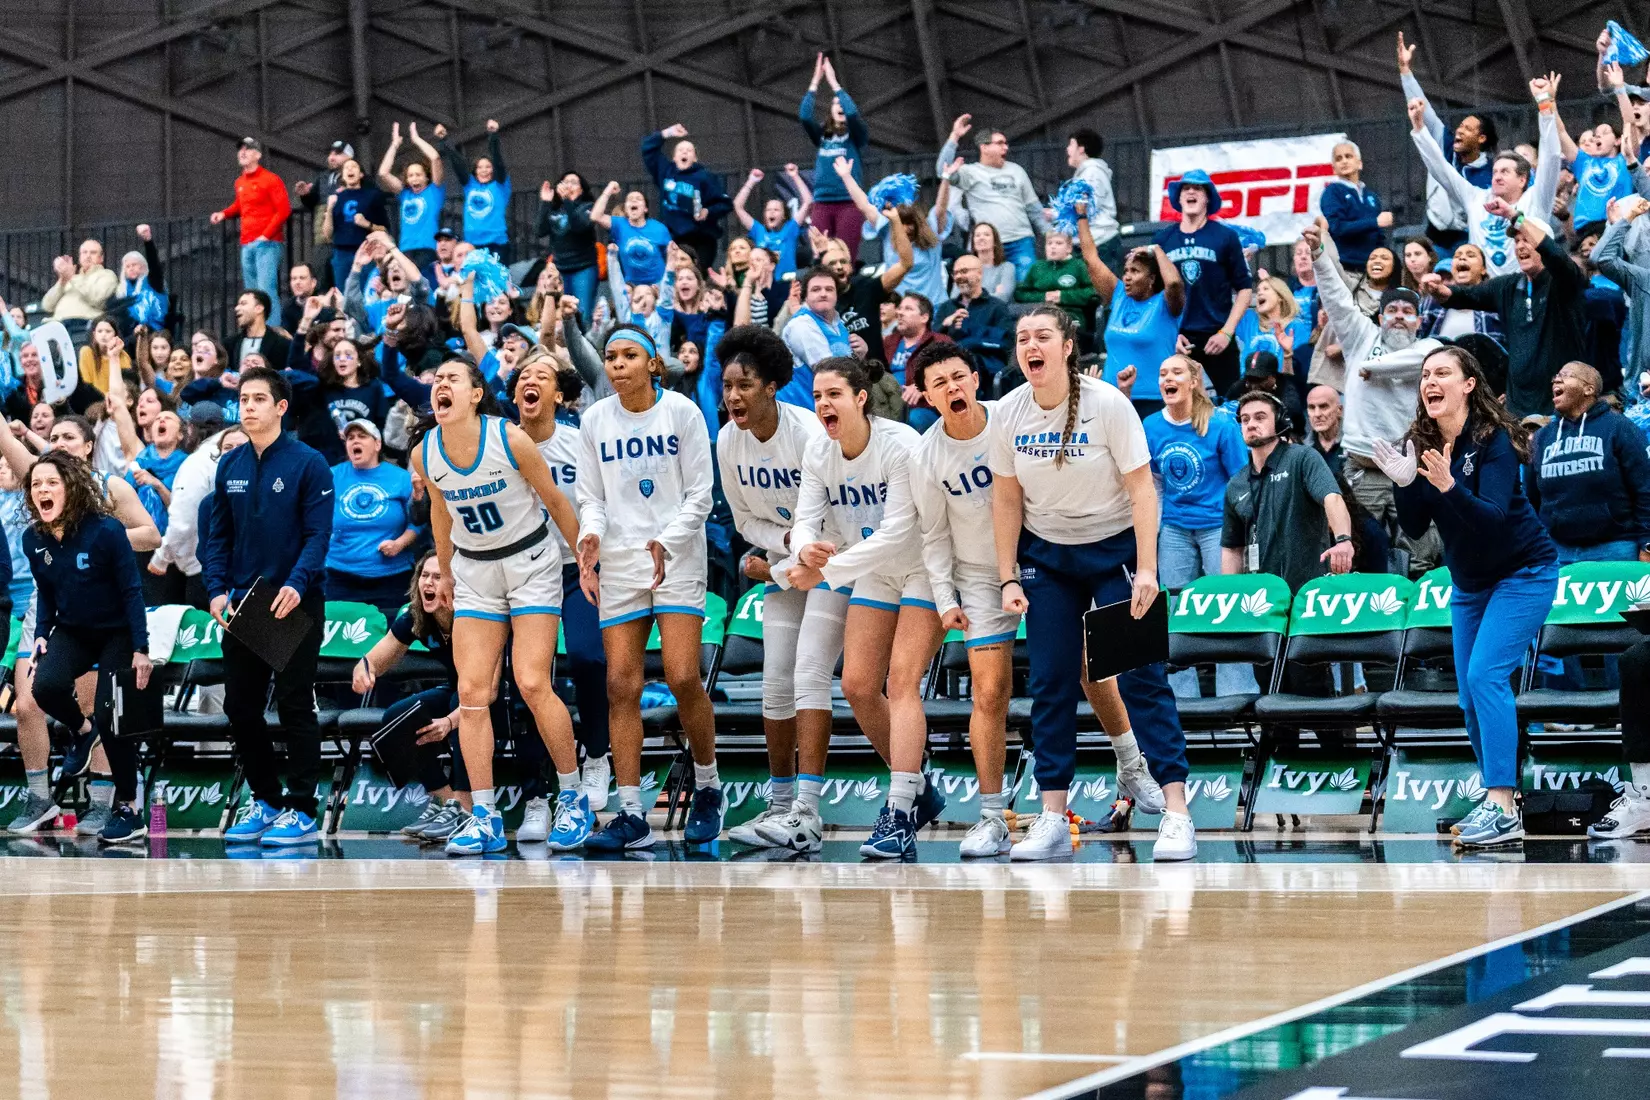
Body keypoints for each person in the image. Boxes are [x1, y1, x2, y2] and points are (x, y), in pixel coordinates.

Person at [991, 307, 1195, 862]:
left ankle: (1177, 812)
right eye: (1022, 338)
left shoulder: (1108, 404)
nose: (1030, 346)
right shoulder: (1009, 412)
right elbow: (1006, 499)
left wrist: (1148, 568)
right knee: (1051, 682)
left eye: (1042, 336)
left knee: (1140, 677)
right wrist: (1007, 574)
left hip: (1116, 551)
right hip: (1048, 557)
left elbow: (1143, 489)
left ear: (1067, 346)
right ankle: (1053, 817)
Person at [1376, 346, 1559, 848]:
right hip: (1470, 584)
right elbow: (1415, 527)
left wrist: (1448, 486)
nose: (1430, 382)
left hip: (1525, 573)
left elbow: (1493, 518)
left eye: (1442, 373)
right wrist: (1405, 485)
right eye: (1425, 375)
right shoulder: (1422, 441)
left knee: (1485, 676)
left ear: (1468, 384)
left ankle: (1501, 804)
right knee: (1469, 695)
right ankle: (1498, 801)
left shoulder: (1492, 439)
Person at [411, 355, 588, 854]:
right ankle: (484, 816)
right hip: (475, 570)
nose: (441, 385)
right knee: (471, 693)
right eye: (437, 379)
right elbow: (441, 513)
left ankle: (572, 797)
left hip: (530, 562)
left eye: (452, 379)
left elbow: (555, 500)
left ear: (475, 394)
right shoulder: (426, 453)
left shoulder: (510, 439)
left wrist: (585, 561)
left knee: (531, 681)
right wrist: (446, 572)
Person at [775, 357, 947, 857]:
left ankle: (899, 811)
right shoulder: (819, 450)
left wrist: (825, 571)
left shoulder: (900, 444)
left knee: (902, 682)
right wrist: (804, 549)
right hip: (873, 568)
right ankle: (918, 787)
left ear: (860, 398)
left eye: (834, 394)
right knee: (855, 684)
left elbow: (897, 533)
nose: (823, 404)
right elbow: (805, 519)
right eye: (818, 396)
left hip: (925, 563)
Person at [576, 325, 720, 851]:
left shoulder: (682, 412)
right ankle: (632, 812)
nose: (617, 364)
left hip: (677, 556)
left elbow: (701, 495)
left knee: (682, 677)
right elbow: (591, 497)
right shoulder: (594, 419)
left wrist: (666, 540)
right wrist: (590, 536)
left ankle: (708, 786)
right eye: (611, 356)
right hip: (619, 560)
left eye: (629, 355)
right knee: (620, 685)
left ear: (653, 364)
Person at [710, 326, 829, 848]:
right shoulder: (727, 440)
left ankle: (808, 812)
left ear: (771, 386)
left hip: (830, 558)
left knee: (810, 676)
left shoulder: (806, 432)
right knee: (776, 682)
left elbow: (829, 508)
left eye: (745, 385)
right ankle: (780, 806)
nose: (733, 396)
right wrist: (782, 544)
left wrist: (790, 555)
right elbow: (743, 521)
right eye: (727, 386)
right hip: (784, 558)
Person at [206, 368, 334, 848]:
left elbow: (318, 535)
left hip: (293, 600)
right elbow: (218, 537)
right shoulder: (229, 464)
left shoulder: (309, 463)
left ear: (281, 407)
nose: (249, 406)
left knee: (295, 703)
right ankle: (266, 801)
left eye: (259, 398)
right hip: (243, 602)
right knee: (240, 708)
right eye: (244, 399)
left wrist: (298, 583)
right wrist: (215, 589)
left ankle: (302, 809)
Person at [22, 451, 152, 844]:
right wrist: (41, 632)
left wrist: (141, 648)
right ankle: (82, 730)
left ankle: (129, 808)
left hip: (117, 632)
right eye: (36, 484)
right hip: (72, 631)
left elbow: (132, 591)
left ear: (72, 488)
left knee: (112, 715)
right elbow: (47, 592)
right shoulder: (34, 539)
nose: (42, 490)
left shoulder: (107, 530)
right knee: (44, 687)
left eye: (52, 483)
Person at [511, 348, 613, 818]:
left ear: (559, 394)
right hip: (522, 571)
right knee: (528, 680)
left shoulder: (579, 441)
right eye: (523, 375)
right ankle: (537, 793)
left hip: (576, 567)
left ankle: (596, 754)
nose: (530, 380)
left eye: (543, 375)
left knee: (589, 658)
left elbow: (601, 501)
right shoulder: (502, 443)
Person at [1304, 221, 1441, 566]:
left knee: (1422, 556)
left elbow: (1418, 361)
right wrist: (1319, 255)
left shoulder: (1428, 348)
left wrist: (1372, 368)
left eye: (1407, 312)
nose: (1399, 318)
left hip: (1413, 469)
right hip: (1363, 468)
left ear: (1418, 321)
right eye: (1392, 311)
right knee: (1358, 555)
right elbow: (1336, 297)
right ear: (1380, 318)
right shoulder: (1360, 337)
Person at [1141, 355, 1253, 699]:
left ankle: (1237, 693)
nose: (1167, 378)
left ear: (1193, 382)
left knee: (1227, 607)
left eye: (1176, 372)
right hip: (1175, 528)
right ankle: (1181, 698)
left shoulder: (1221, 424)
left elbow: (1241, 482)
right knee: (1174, 611)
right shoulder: (1151, 426)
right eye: (1162, 373)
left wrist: (1241, 533)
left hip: (1218, 527)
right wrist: (1154, 530)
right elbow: (1155, 484)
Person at [352, 552, 473, 845]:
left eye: (437, 577)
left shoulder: (472, 615)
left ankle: (467, 807)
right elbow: (374, 659)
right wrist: (363, 670)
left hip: (495, 695)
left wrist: (449, 721)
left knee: (458, 703)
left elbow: (489, 689)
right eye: (424, 576)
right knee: (397, 716)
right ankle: (446, 801)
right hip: (457, 690)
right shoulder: (416, 616)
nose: (428, 583)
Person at [1419, 207, 1586, 416]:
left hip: (1560, 407)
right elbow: (1465, 295)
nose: (1520, 246)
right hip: (1518, 408)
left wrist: (1516, 218)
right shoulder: (1508, 286)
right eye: (1517, 241)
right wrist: (1439, 290)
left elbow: (1557, 257)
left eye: (1527, 240)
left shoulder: (1565, 280)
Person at [1408, 76, 1561, 278]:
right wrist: (1419, 129)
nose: (1496, 177)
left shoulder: (1536, 199)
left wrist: (1544, 105)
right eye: (1495, 171)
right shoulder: (1477, 198)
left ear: (1522, 179)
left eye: (1505, 172)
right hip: (1485, 289)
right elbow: (1440, 168)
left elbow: (1551, 158)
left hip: (1525, 284)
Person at [1222, 390, 1355, 593]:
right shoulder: (1236, 483)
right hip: (1260, 596)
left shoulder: (1303, 458)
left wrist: (1343, 540)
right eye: (1245, 419)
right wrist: (1229, 593)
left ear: (1280, 421)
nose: (1251, 424)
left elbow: (1332, 498)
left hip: (1309, 590)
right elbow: (1232, 548)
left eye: (1260, 417)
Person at [1528, 362, 1650, 565]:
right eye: (1556, 376)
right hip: (1558, 551)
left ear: (1589, 389)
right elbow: (1531, 498)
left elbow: (1645, 489)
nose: (1556, 380)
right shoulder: (1543, 437)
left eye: (1566, 375)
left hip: (1615, 548)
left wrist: (1647, 544)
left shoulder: (1620, 428)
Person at [1153, 168, 1252, 394]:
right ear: (1178, 198)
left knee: (1233, 401)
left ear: (1208, 197)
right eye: (1186, 188)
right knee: (1179, 402)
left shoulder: (1225, 237)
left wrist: (1227, 332)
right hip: (1179, 337)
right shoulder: (1163, 240)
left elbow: (1245, 289)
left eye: (1197, 188)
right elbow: (1156, 293)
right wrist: (1169, 333)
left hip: (1218, 336)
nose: (1191, 192)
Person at [1079, 209, 1184, 419]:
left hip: (1155, 400)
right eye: (1125, 271)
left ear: (1152, 279)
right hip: (1113, 396)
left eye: (1135, 271)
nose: (1126, 277)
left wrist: (1155, 250)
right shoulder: (1119, 296)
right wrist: (1081, 216)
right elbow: (1091, 259)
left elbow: (1173, 283)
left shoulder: (1165, 304)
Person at [1398, 31, 1496, 249]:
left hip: (1468, 237)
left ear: (1481, 138)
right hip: (1435, 235)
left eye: (1468, 129)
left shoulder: (1491, 173)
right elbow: (1423, 109)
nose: (1459, 131)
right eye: (1460, 126)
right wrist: (1406, 72)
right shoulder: (1446, 143)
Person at [325, 419, 418, 615]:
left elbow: (418, 522)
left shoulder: (401, 478)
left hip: (391, 578)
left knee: (390, 632)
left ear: (377, 444)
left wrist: (400, 543)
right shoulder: (331, 476)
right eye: (350, 438)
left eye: (362, 436)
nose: (355, 441)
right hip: (340, 576)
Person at [938, 115, 1044, 280]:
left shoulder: (1017, 170)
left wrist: (1050, 233)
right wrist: (955, 136)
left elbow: (1034, 208)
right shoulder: (970, 172)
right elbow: (942, 170)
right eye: (1000, 143)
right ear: (984, 147)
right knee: (989, 288)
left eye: (1006, 143)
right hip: (988, 246)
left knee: (1025, 286)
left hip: (1021, 240)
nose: (1005, 147)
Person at [799, 54, 871, 258]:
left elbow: (853, 114)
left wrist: (833, 83)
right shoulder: (822, 135)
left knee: (845, 255)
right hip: (822, 202)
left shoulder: (856, 134)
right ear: (830, 110)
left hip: (848, 202)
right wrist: (815, 82)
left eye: (842, 103)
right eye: (835, 103)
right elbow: (805, 116)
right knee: (820, 255)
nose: (839, 106)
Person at [210, 137, 291, 306]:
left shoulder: (271, 179)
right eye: (240, 149)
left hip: (267, 243)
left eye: (247, 149)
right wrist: (224, 214)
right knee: (252, 294)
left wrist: (265, 235)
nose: (242, 152)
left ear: (258, 155)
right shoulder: (240, 181)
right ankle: (257, 324)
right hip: (247, 242)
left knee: (266, 292)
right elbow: (241, 205)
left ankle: (271, 323)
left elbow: (283, 210)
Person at [641, 125, 732, 271]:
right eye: (680, 150)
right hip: (674, 238)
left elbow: (725, 204)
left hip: (701, 237)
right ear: (674, 157)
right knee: (675, 276)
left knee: (697, 275)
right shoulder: (666, 171)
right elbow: (647, 148)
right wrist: (667, 133)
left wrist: (707, 211)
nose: (684, 152)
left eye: (689, 150)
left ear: (695, 158)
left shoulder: (705, 177)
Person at [376, 122, 446, 281]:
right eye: (411, 175)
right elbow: (383, 173)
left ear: (426, 177)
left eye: (418, 175)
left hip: (427, 248)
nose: (414, 178)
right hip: (406, 249)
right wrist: (394, 145)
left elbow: (435, 158)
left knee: (422, 285)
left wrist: (416, 139)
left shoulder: (434, 191)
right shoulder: (405, 194)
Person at [435, 120, 512, 260]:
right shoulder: (470, 185)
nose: (484, 170)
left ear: (493, 170)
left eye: (488, 167)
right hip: (472, 243)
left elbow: (498, 161)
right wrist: (444, 139)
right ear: (475, 171)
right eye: (480, 167)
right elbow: (457, 163)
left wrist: (493, 136)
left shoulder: (500, 185)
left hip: (496, 243)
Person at [936, 254, 1014, 382]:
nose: (959, 276)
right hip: (946, 368)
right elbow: (931, 343)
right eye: (955, 273)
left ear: (980, 274)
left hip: (985, 371)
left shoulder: (997, 307)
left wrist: (969, 335)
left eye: (964, 271)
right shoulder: (946, 307)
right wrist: (945, 325)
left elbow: (1006, 343)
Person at [534, 172, 598, 323]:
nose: (569, 185)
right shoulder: (555, 208)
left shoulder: (588, 207)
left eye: (574, 182)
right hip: (560, 268)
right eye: (565, 182)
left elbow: (578, 226)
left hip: (583, 268)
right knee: (562, 315)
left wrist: (568, 201)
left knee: (582, 315)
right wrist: (546, 202)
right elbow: (540, 231)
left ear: (582, 189)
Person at [883, 293, 952, 430]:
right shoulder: (888, 341)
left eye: (908, 309)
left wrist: (923, 386)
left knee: (912, 421)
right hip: (888, 405)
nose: (900, 313)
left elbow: (952, 374)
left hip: (923, 406)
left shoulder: (940, 342)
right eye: (900, 308)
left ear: (924, 317)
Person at [1319, 141, 1392, 267]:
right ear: (1334, 169)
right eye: (1338, 158)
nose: (1344, 161)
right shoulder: (1332, 192)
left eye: (1348, 156)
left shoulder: (1371, 196)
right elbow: (1337, 228)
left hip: (1372, 267)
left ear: (1360, 164)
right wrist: (1374, 222)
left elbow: (1379, 235)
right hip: (1346, 266)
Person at [734, 166, 812, 281]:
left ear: (784, 216)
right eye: (768, 210)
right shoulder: (758, 230)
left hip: (787, 283)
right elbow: (738, 206)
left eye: (776, 210)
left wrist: (795, 176)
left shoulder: (790, 229)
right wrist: (751, 180)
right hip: (764, 283)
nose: (771, 212)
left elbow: (808, 202)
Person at [325, 158, 390, 292]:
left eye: (354, 166)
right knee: (343, 294)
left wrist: (367, 224)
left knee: (367, 292)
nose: (350, 169)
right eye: (346, 168)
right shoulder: (336, 198)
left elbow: (384, 228)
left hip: (367, 250)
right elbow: (327, 234)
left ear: (361, 174)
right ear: (342, 176)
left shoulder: (372, 195)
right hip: (341, 253)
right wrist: (330, 209)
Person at [592, 182, 673, 288]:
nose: (634, 200)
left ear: (645, 208)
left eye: (638, 199)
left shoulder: (659, 228)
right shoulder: (619, 225)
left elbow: (670, 255)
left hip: (658, 285)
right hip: (632, 287)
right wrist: (608, 190)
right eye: (630, 199)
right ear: (626, 209)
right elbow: (595, 216)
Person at [1013, 231, 1097, 332]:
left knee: (1062, 331)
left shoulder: (1079, 266)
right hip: (1040, 314)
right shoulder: (1037, 267)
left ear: (1069, 248)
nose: (1053, 247)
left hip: (1071, 315)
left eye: (1058, 243)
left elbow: (1093, 293)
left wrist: (1062, 296)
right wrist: (1044, 297)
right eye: (1049, 243)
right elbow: (1020, 294)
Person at [1419, 243, 1504, 342]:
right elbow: (1419, 337)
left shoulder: (1498, 300)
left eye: (1471, 255)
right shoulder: (1431, 301)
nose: (1462, 258)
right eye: (1457, 256)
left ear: (1483, 269)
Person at [1067, 127, 1121, 273]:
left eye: (1071, 144)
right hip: (1092, 243)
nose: (1067, 149)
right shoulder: (1086, 174)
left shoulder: (1092, 173)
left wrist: (1056, 214)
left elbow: (1087, 208)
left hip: (1099, 243)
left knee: (1101, 287)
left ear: (1081, 149)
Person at [43, 239, 118, 344]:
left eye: (93, 252)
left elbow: (96, 298)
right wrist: (62, 281)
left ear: (101, 258)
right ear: (79, 257)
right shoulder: (71, 278)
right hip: (56, 326)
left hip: (82, 326)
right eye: (84, 252)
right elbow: (47, 305)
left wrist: (72, 277)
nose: (88, 256)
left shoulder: (107, 275)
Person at [228, 289, 291, 373]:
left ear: (259, 308)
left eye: (243, 303)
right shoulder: (230, 344)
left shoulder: (282, 344)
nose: (237, 308)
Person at [971, 222, 1016, 302]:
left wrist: (971, 296)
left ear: (995, 242)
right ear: (973, 244)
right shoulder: (966, 269)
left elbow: (1003, 297)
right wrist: (994, 294)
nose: (981, 238)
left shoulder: (1007, 268)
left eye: (986, 234)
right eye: (977, 235)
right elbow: (955, 299)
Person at [1306, 383, 1345, 475]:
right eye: (1312, 408)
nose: (1317, 414)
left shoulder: (1353, 443)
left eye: (1323, 406)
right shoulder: (1302, 449)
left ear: (1339, 410)